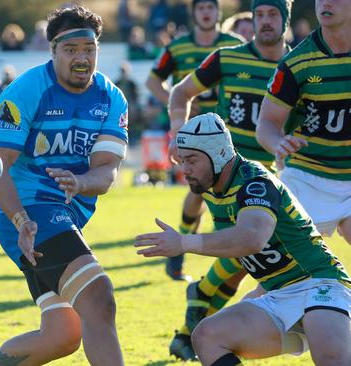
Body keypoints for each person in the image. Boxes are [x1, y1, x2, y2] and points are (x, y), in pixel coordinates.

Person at [0, 6, 128, 366]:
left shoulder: (111, 98)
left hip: (65, 215)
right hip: (27, 213)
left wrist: (83, 181)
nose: (82, 58)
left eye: (89, 49)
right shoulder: (26, 90)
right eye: (71, 51)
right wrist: (21, 221)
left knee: (63, 335)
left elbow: (106, 172)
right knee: (99, 297)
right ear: (52, 51)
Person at [135, 113, 351, 366]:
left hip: (320, 284)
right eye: (182, 161)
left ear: (218, 155)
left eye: (192, 160)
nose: (184, 170)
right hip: (276, 293)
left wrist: (184, 243)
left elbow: (252, 238)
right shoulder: (214, 188)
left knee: (331, 359)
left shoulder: (254, 182)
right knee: (207, 335)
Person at [166, 0, 293, 359]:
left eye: (273, 15)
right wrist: (178, 131)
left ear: (285, 19)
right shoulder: (227, 57)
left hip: (276, 180)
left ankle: (196, 312)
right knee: (250, 253)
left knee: (245, 261)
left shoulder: (298, 65)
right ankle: (200, 318)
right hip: (225, 177)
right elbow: (180, 92)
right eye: (260, 15)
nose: (265, 22)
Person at [146, 0, 243, 281]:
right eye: (200, 8)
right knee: (199, 189)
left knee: (228, 186)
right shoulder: (177, 47)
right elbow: (153, 82)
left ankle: (194, 245)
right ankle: (185, 245)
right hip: (191, 131)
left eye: (210, 8)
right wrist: (179, 102)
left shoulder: (233, 43)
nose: (205, 13)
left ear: (218, 13)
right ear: (194, 13)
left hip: (233, 130)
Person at [257, 0, 351, 246]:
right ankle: (204, 287)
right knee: (281, 272)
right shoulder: (297, 62)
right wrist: (278, 143)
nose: (326, 2)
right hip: (307, 177)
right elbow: (266, 123)